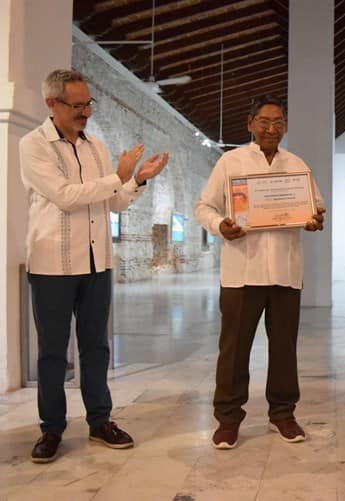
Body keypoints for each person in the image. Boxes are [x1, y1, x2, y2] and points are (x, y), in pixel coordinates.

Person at [20, 69, 169, 463]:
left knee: (97, 347)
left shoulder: (96, 147)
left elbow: (113, 202)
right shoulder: (33, 145)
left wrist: (136, 181)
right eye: (77, 105)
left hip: (96, 261)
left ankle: (100, 421)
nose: (85, 111)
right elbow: (66, 197)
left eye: (88, 104)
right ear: (52, 104)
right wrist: (117, 177)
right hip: (52, 262)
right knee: (53, 351)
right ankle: (51, 428)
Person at [194, 95, 325, 450]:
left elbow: (315, 206)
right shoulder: (230, 161)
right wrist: (220, 224)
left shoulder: (296, 164)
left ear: (285, 126)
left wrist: (314, 220)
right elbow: (203, 206)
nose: (272, 128)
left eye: (279, 122)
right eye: (265, 121)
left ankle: (283, 414)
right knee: (234, 350)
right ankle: (228, 420)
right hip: (241, 272)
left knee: (284, 348)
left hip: (284, 272)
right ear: (250, 123)